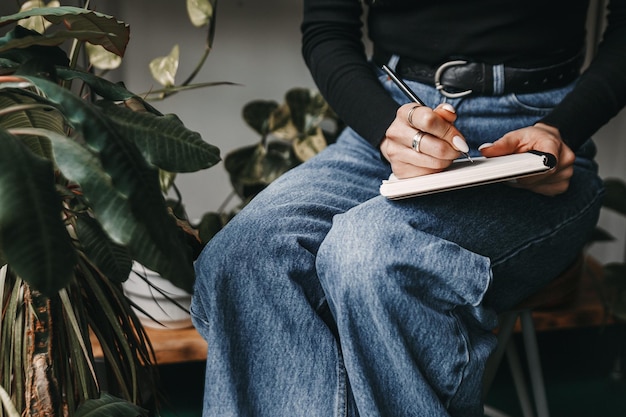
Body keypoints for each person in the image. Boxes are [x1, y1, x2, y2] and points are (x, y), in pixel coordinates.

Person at [191, 0, 626, 416]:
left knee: (372, 256)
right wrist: (386, 128)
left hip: (537, 130)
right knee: (244, 256)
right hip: (396, 119)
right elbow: (327, 30)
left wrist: (561, 131)